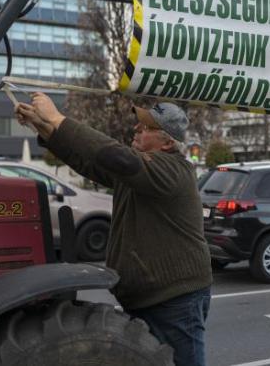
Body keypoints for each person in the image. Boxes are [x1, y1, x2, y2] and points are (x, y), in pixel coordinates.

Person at [15, 93, 212, 366]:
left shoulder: (172, 170)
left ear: (167, 142)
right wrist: (44, 127)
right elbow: (91, 161)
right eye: (139, 124)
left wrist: (57, 119)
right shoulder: (140, 173)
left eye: (146, 127)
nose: (137, 129)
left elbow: (115, 156)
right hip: (150, 297)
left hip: (173, 300)